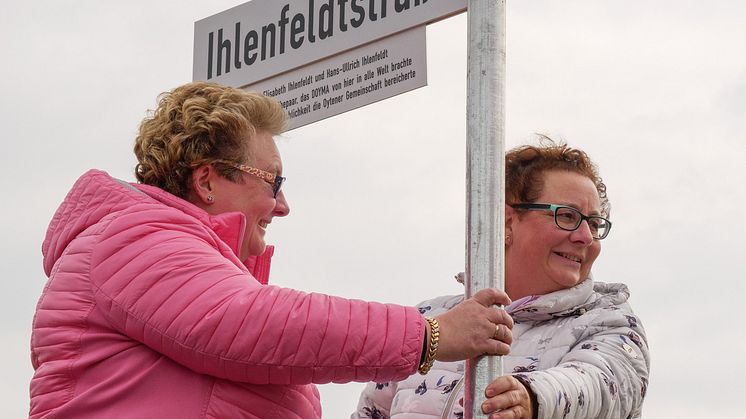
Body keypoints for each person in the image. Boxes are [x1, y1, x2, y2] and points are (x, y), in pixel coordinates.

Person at [29, 81, 516, 419]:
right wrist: (429, 335)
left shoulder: (147, 243)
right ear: (207, 182)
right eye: (273, 182)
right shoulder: (134, 237)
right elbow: (247, 321)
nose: (282, 205)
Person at [353, 140, 650, 419]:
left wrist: (533, 397)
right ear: (507, 222)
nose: (586, 237)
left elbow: (604, 384)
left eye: (595, 223)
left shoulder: (611, 323)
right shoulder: (430, 320)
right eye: (568, 216)